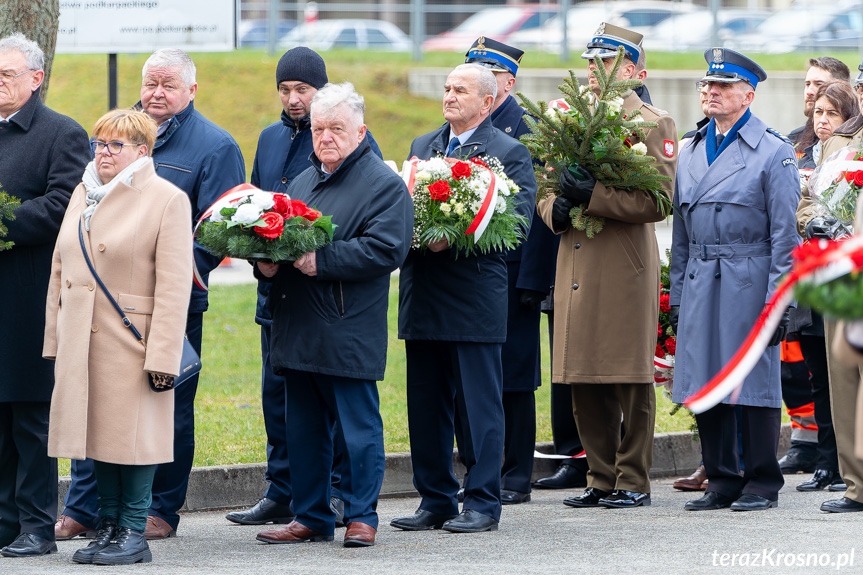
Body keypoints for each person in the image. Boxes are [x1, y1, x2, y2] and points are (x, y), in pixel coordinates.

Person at [56, 48, 246, 541]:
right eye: (150, 83)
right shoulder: (116, 136)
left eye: (168, 85)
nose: (157, 94)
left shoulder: (215, 146)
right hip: (100, 306)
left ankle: (159, 508)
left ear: (191, 91)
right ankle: (85, 506)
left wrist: (176, 281)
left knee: (164, 406)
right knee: (97, 406)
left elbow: (216, 230)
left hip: (168, 305)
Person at [225, 46, 382, 528]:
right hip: (282, 297)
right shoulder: (272, 141)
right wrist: (262, 262)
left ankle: (340, 498)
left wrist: (319, 259)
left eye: (303, 91)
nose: (293, 100)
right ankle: (285, 491)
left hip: (332, 304)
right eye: (286, 90)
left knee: (340, 410)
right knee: (283, 400)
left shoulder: (363, 159)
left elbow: (367, 236)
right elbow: (256, 210)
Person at [253, 82, 412, 547]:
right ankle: (312, 516)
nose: (325, 137)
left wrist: (321, 261)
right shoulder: (303, 182)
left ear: (360, 131)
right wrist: (264, 264)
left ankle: (362, 515)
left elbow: (386, 249)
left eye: (336, 128)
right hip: (297, 327)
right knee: (301, 431)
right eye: (319, 128)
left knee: (358, 431)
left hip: (347, 329)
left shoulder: (382, 185)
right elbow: (278, 240)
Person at [536, 23, 677, 510]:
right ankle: (599, 477)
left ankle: (632, 477)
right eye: (592, 61)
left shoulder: (652, 122)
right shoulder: (570, 117)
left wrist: (591, 195)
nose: (596, 71)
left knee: (627, 374)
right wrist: (552, 207)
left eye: (609, 62)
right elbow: (546, 181)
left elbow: (658, 201)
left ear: (635, 70)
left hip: (622, 263)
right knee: (580, 370)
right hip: (574, 255)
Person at [391, 63, 536, 533]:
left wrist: (450, 237)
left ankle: (481, 502)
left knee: (478, 407)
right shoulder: (422, 147)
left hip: (473, 298)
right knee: (426, 404)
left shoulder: (508, 153)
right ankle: (435, 498)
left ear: (487, 102)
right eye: (447, 88)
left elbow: (515, 230)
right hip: (424, 295)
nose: (449, 96)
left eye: (461, 90)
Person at [44, 109, 193, 565]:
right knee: (98, 438)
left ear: (142, 151)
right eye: (99, 144)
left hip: (134, 342)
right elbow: (60, 268)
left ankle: (132, 531)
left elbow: (173, 288)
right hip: (82, 340)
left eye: (115, 145)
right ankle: (108, 526)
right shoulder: (83, 193)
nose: (104, 153)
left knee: (134, 438)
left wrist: (163, 358)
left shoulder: (166, 199)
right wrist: (55, 339)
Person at [670, 48, 800, 512]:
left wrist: (781, 302)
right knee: (707, 378)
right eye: (707, 85)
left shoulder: (774, 151)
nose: (710, 92)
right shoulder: (690, 149)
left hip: (751, 276)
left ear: (747, 94)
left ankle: (762, 480)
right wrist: (678, 296)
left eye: (722, 86)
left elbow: (786, 235)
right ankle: (722, 478)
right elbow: (681, 230)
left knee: (754, 379)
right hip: (703, 276)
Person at [0, 33, 90, 559]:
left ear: (36, 79)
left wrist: (3, 221)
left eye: (7, 74)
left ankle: (36, 525)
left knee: (31, 419)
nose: (0, 84)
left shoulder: (62, 134)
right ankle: (4, 520)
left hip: (31, 296)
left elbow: (63, 207)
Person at [457, 37, 558, 505]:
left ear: (507, 82)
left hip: (515, 272)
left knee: (515, 376)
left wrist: (534, 279)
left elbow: (538, 214)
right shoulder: (457, 130)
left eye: (490, 74)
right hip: (466, 276)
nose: (479, 82)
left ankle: (516, 472)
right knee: (470, 376)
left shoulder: (529, 131)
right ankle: (478, 465)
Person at [795, 58, 863, 513]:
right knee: (843, 382)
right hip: (845, 275)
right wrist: (816, 223)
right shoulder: (842, 142)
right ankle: (856, 484)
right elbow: (810, 201)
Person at [780, 57, 850, 477]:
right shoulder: (793, 142)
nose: (811, 94)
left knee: (837, 371)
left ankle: (839, 461)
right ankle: (821, 456)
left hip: (841, 276)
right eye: (808, 86)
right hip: (805, 271)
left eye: (821, 87)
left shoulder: (851, 150)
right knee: (808, 369)